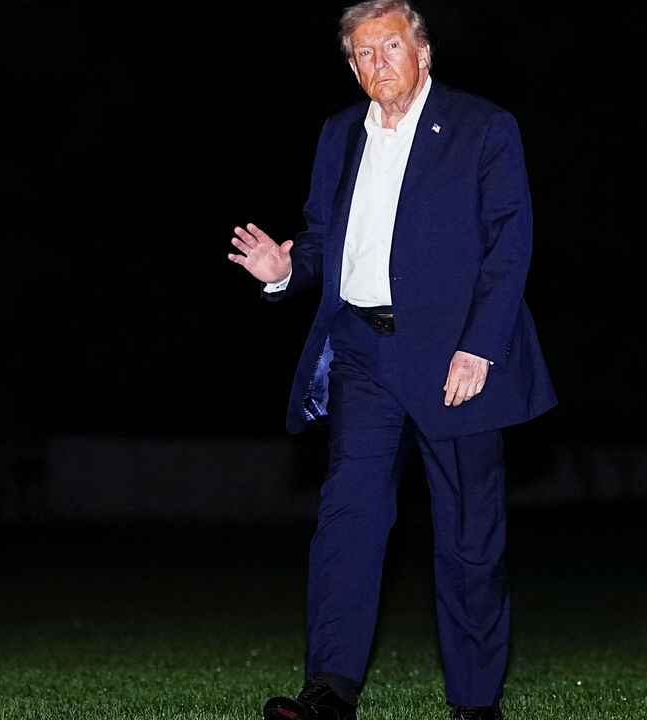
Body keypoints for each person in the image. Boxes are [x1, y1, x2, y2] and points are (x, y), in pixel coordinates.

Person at [226, 1, 556, 718]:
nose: (378, 64)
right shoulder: (339, 135)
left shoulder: (483, 128)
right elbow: (324, 240)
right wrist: (285, 268)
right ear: (351, 67)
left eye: (391, 48)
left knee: (470, 533)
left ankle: (475, 702)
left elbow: (511, 244)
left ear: (423, 52)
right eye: (363, 55)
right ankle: (329, 693)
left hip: (453, 359)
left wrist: (479, 347)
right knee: (348, 517)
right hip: (362, 353)